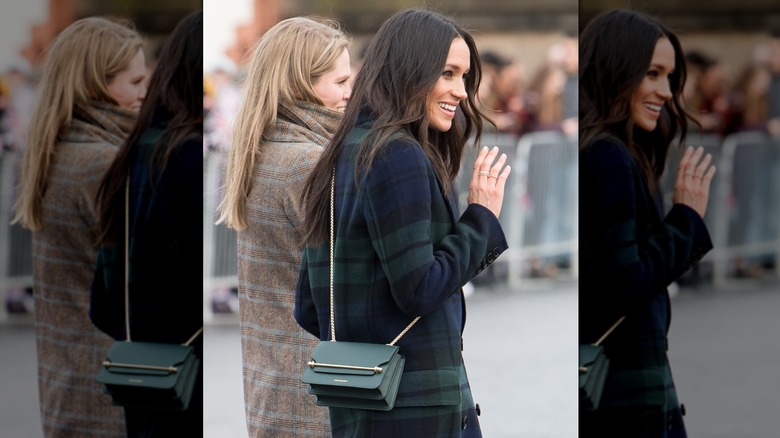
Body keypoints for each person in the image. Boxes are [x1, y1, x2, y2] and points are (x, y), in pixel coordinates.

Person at [295, 8, 511, 437]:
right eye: (448, 73)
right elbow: (419, 288)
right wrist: (481, 219)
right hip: (418, 407)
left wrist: (368, 342)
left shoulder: (346, 150)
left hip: (361, 397)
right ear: (409, 69)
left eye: (464, 77)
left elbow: (308, 303)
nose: (461, 91)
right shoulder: (398, 154)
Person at [579, 9, 717, 436]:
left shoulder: (611, 150)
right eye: (652, 74)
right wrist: (687, 218)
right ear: (617, 71)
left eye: (669, 77)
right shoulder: (608, 156)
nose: (665, 91)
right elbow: (626, 283)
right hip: (622, 387)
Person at [216, 16, 351, 438]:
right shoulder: (310, 163)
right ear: (300, 85)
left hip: (271, 380)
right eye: (341, 82)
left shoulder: (263, 149)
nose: (353, 92)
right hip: (319, 387)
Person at [11, 16, 145, 437]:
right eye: (136, 82)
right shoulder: (104, 163)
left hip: (66, 373)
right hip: (111, 380)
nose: (147, 93)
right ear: (95, 87)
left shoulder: (56, 149)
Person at [89, 10, 202, 437]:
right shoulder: (186, 156)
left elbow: (104, 297)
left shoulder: (139, 146)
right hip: (188, 376)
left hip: (145, 371)